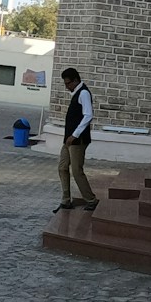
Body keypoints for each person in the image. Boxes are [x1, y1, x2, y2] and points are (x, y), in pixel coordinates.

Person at [54, 68, 99, 214]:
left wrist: (75, 135)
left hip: (77, 140)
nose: (67, 86)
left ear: (75, 80)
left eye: (68, 83)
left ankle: (91, 200)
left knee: (76, 171)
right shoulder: (76, 93)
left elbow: (88, 115)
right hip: (68, 140)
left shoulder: (84, 93)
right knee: (62, 167)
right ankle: (65, 200)